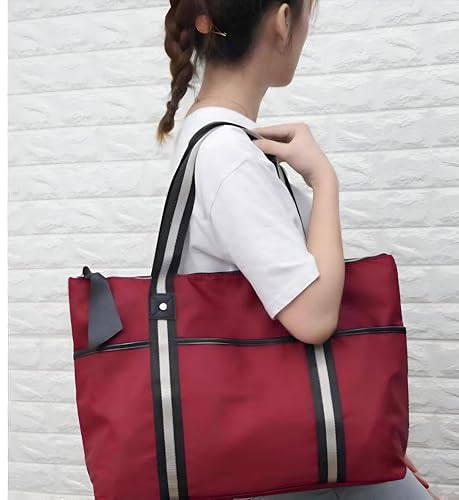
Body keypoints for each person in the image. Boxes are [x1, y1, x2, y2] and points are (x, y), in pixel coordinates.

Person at [156, 1, 438, 498]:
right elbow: (313, 316)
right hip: (282, 457)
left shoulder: (224, 143)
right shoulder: (228, 154)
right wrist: (323, 180)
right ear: (283, 21)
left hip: (283, 438)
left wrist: (360, 430)